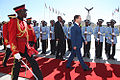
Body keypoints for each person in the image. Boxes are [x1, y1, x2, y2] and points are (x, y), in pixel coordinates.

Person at [9, 4, 43, 80]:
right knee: (16, 67)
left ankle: (40, 78)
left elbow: (26, 36)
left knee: (34, 63)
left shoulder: (24, 22)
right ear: (19, 12)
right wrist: (15, 52)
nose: (26, 13)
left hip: (26, 47)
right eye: (24, 11)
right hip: (18, 48)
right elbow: (12, 38)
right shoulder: (14, 21)